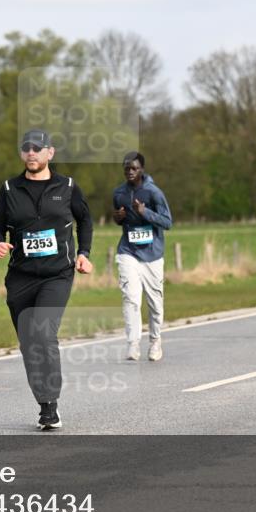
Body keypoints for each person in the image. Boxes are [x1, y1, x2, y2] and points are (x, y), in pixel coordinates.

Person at [0, 129, 93, 430]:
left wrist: (83, 253)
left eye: (38, 147)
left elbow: (85, 220)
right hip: (20, 276)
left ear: (50, 152)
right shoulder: (9, 188)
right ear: (22, 154)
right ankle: (43, 401)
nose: (31, 152)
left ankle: (51, 405)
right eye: (26, 148)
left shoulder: (68, 186)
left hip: (57, 274)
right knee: (28, 343)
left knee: (44, 335)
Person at [112, 152, 173, 361]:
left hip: (153, 255)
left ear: (142, 170)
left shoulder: (154, 193)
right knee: (131, 298)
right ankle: (133, 343)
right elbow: (120, 219)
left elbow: (167, 222)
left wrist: (145, 212)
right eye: (127, 168)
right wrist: (117, 218)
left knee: (155, 303)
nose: (130, 171)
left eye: (134, 168)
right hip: (128, 252)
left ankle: (155, 342)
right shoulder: (118, 193)